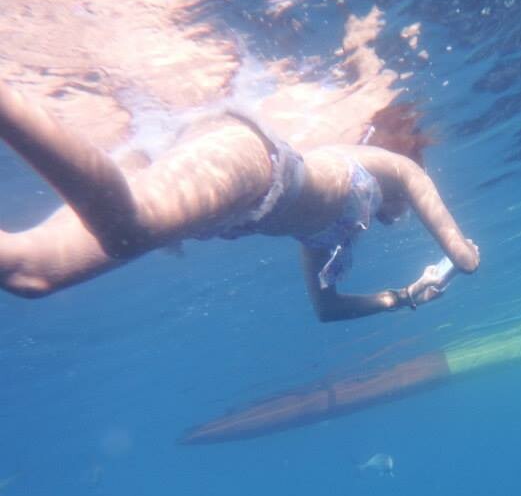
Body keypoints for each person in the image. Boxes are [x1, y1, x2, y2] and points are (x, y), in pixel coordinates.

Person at [0, 80, 479, 321]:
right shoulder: (384, 163)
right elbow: (434, 207)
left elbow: (327, 310)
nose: (393, 219)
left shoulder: (319, 238)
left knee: (32, 274)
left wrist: (403, 298)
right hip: (255, 163)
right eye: (396, 216)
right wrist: (463, 255)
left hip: (234, 187)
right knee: (130, 230)